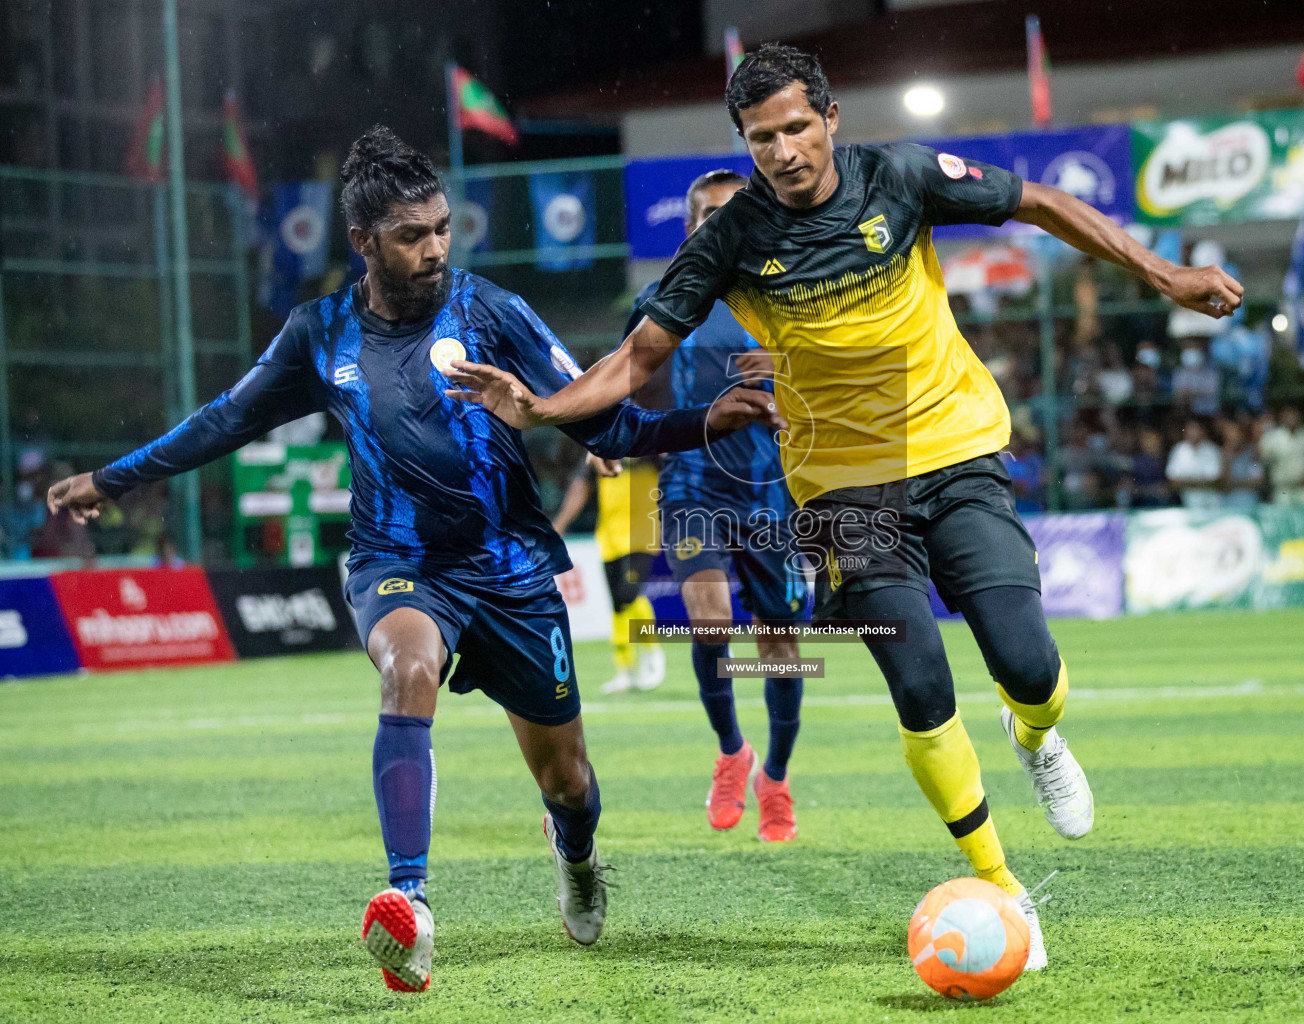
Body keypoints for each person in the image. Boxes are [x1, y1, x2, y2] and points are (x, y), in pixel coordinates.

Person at [442, 44, 1242, 970]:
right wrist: (540, 408)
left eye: (794, 127)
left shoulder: (900, 178)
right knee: (922, 684)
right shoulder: (731, 240)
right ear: (743, 143)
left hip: (956, 450)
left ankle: (1036, 734)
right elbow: (637, 363)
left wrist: (1161, 274)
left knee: (1028, 665)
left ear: (829, 119)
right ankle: (1001, 883)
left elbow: (1043, 203)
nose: (782, 150)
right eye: (759, 138)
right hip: (839, 491)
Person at [46, 126, 777, 993]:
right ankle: (410, 905)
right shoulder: (319, 334)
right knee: (406, 665)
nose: (433, 248)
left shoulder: (493, 311)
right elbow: (223, 420)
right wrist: (114, 479)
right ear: (363, 242)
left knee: (570, 783)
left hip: (508, 564)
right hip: (396, 559)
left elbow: (601, 420)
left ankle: (575, 857)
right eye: (411, 235)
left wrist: (702, 423)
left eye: (439, 228)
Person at [640, 168, 808, 842]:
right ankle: (732, 750)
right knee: (710, 622)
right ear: (689, 228)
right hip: (690, 485)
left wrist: (790, 375)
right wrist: (595, 431)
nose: (716, 223)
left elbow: (835, 383)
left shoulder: (791, 300)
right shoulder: (662, 298)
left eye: (730, 212)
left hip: (769, 492)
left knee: (781, 647)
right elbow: (623, 372)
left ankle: (776, 777)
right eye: (705, 213)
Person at [550, 454, 667, 694]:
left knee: (628, 594)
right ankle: (625, 669)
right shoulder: (600, 445)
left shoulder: (649, 440)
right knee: (617, 603)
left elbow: (669, 463)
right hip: (610, 536)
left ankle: (651, 650)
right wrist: (559, 525)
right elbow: (581, 486)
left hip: (643, 532)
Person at [1259, 405, 1304, 505]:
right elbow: (1263, 460)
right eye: (1288, 415)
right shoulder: (1272, 437)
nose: (1291, 418)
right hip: (1283, 488)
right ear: (1281, 418)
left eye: (1294, 415)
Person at [1165, 417, 1223, 510]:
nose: (1192, 433)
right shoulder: (1179, 450)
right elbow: (1173, 480)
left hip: (1212, 503)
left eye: (1195, 429)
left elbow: (1215, 480)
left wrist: (1187, 482)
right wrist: (1200, 482)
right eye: (1190, 429)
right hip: (1188, 503)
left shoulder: (1212, 450)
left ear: (1202, 431)